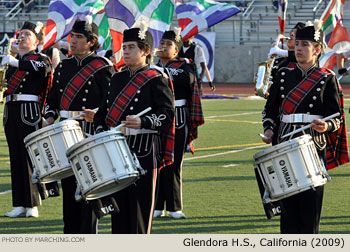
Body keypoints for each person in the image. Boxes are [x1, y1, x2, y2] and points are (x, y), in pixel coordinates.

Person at [261, 20, 349, 233]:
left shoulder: (327, 78)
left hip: (311, 145)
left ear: (317, 50)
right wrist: (269, 128)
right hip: (283, 142)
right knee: (288, 211)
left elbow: (337, 117)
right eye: (297, 43)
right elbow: (270, 110)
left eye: (305, 44)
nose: (298, 48)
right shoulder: (282, 74)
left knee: (309, 211)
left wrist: (325, 125)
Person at [94, 25, 175, 234]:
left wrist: (144, 122)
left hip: (145, 150)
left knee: (139, 210)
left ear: (146, 51)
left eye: (131, 47)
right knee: (119, 211)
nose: (125, 51)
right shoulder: (117, 78)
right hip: (118, 151)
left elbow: (167, 114)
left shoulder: (157, 78)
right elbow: (103, 113)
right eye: (124, 46)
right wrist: (102, 129)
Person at [44, 19, 115, 233]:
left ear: (91, 42)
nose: (72, 41)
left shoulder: (103, 68)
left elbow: (112, 102)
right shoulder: (64, 66)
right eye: (71, 37)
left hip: (89, 133)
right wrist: (48, 117)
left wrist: (99, 114)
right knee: (69, 189)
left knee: (89, 188)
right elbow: (53, 100)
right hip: (65, 132)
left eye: (78, 38)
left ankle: (87, 236)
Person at [1, 21, 52, 218]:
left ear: (38, 41)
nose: (22, 37)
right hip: (11, 109)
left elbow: (42, 68)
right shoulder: (15, 60)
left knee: (28, 157)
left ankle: (32, 203)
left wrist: (15, 62)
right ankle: (19, 203)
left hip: (29, 111)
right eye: (21, 34)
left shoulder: (41, 58)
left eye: (27, 34)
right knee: (15, 156)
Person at [153, 30, 203, 219]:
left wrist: (162, 71)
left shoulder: (185, 65)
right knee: (157, 161)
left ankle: (174, 207)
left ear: (176, 50)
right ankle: (157, 205)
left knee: (174, 162)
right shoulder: (153, 66)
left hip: (178, 117)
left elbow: (187, 79)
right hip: (157, 117)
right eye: (162, 42)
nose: (163, 46)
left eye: (168, 43)